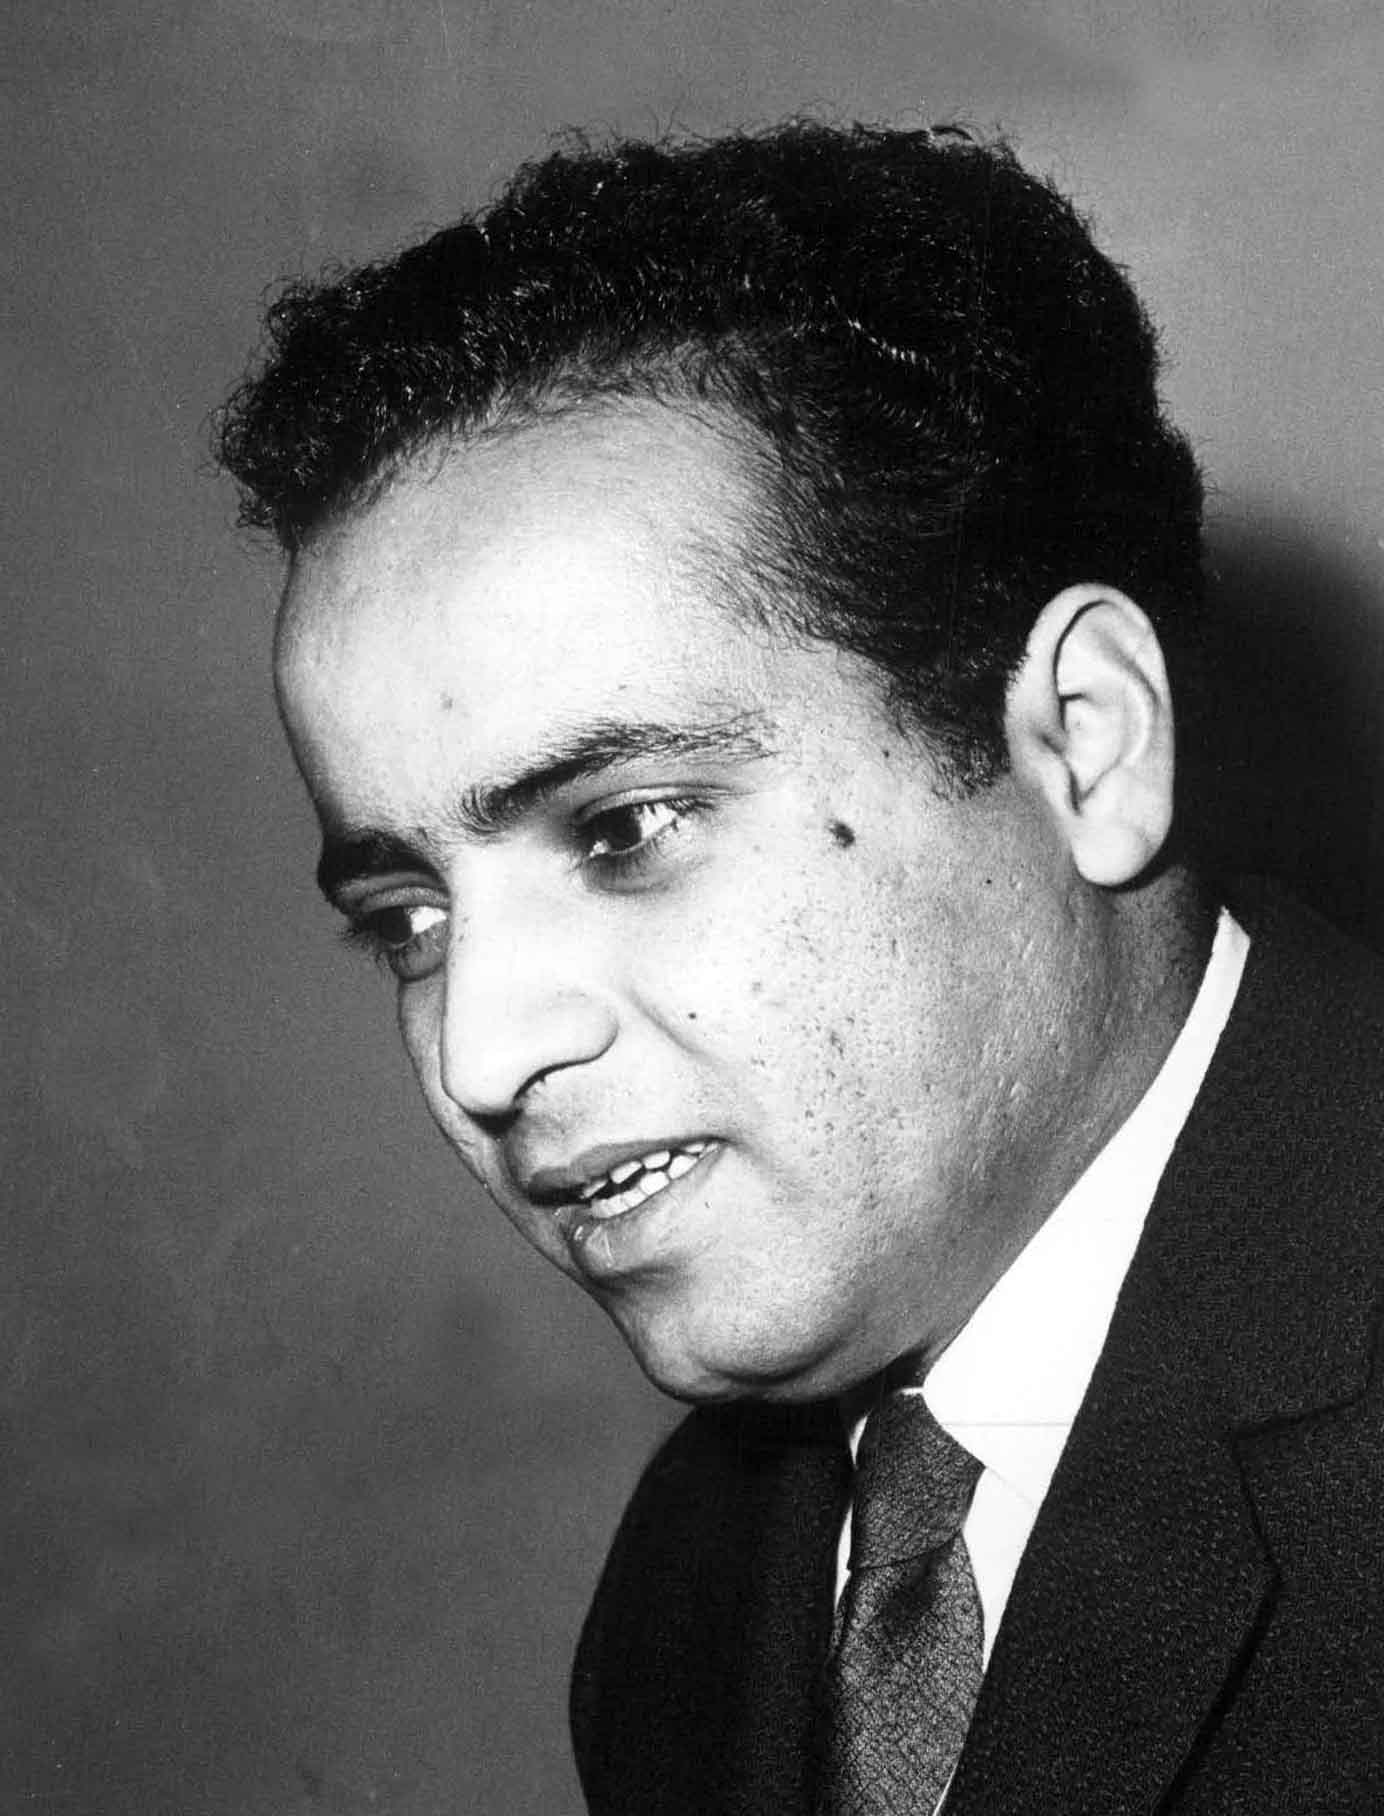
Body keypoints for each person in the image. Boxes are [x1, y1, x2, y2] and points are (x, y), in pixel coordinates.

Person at [215, 122, 1384, 1813]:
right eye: (409, 919)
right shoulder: (702, 1582)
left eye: (624, 830)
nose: (479, 1054)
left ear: (1084, 743)